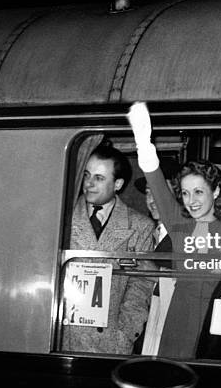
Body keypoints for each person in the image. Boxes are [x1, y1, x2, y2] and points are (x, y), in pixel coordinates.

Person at [127, 103, 221, 358]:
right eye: (185, 192)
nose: (191, 200)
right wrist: (143, 142)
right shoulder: (179, 224)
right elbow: (155, 181)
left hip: (215, 323)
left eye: (199, 192)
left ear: (215, 191)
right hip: (179, 318)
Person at [61, 142, 155, 355]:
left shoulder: (140, 227)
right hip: (61, 337)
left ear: (118, 184)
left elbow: (142, 284)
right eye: (86, 175)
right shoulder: (61, 217)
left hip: (110, 343)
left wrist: (125, 333)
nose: (89, 184)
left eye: (99, 178)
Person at [133, 159, 179, 355]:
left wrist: (156, 274)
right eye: (148, 193)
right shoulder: (147, 232)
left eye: (159, 193)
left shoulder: (189, 235)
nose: (152, 200)